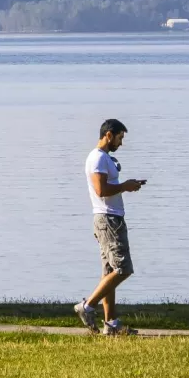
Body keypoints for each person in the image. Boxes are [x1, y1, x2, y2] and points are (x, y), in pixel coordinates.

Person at [75, 118, 146, 336]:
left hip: (111, 218)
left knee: (109, 272)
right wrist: (125, 186)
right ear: (109, 135)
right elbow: (101, 190)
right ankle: (87, 306)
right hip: (108, 220)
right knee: (123, 269)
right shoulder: (97, 158)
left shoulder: (104, 158)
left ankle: (111, 324)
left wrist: (127, 186)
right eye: (119, 138)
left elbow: (109, 187)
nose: (120, 143)